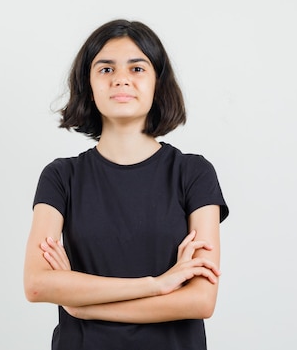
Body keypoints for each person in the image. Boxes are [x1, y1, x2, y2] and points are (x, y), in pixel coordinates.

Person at [23, 19, 229, 350]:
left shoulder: (194, 173)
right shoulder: (61, 177)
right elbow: (36, 284)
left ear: (158, 84)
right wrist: (157, 285)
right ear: (88, 84)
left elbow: (200, 300)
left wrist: (81, 305)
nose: (121, 78)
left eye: (137, 68)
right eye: (105, 69)